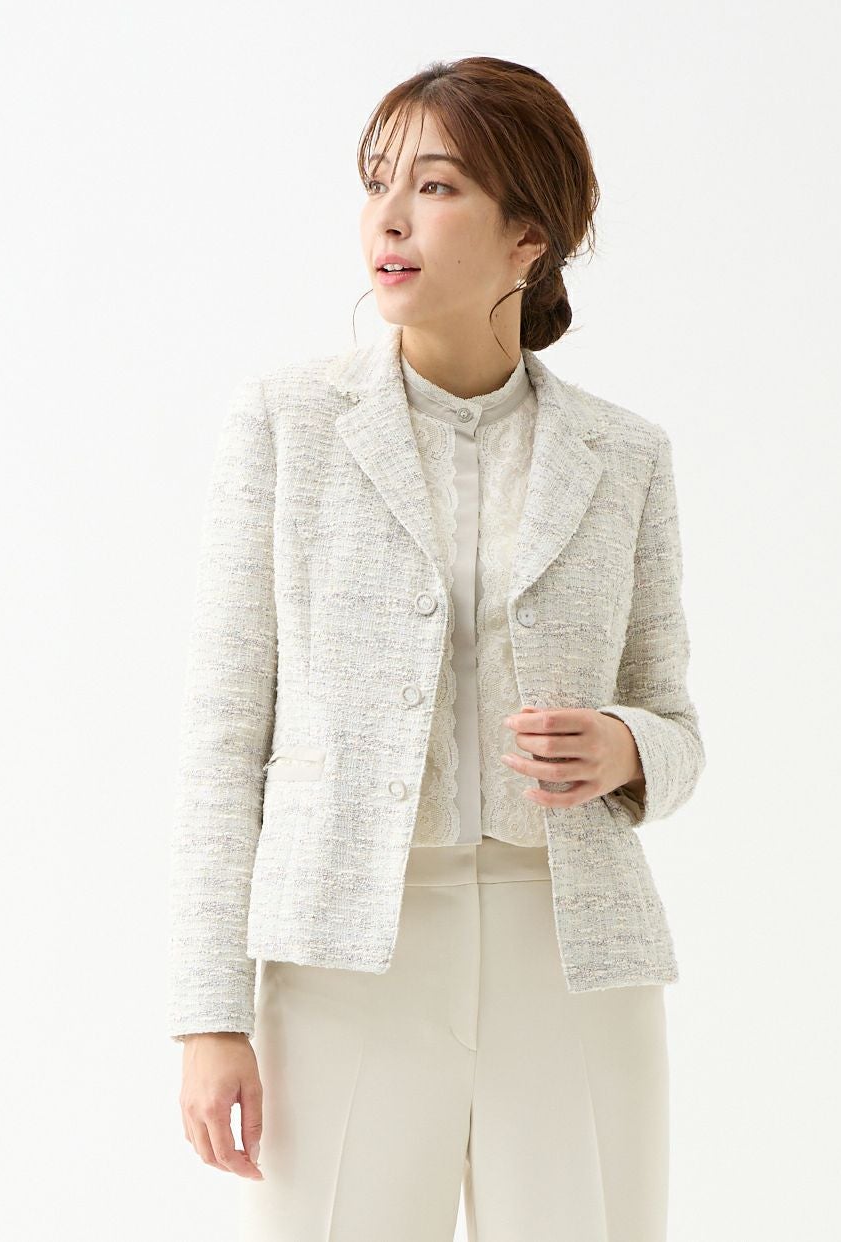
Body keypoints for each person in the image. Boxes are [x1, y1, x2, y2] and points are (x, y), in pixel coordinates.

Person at [168, 56, 705, 1242]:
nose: (390, 218)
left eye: (437, 185)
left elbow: (674, 721)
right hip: (344, 960)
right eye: (377, 185)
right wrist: (211, 1016)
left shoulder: (625, 456)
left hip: (570, 954)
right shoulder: (288, 427)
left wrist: (626, 746)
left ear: (530, 237)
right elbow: (222, 742)